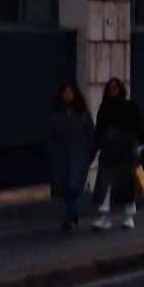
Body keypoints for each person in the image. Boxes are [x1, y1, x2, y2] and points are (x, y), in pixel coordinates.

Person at [92, 77, 144, 229]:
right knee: (106, 186)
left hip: (125, 151)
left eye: (115, 87)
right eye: (110, 87)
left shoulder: (129, 106)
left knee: (127, 186)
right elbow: (99, 130)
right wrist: (96, 148)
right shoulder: (105, 107)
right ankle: (105, 217)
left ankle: (128, 217)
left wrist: (139, 149)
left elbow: (138, 129)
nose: (112, 90)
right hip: (109, 151)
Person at [46, 84, 95, 231]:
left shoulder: (83, 114)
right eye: (65, 93)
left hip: (79, 156)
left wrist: (89, 153)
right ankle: (72, 217)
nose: (68, 96)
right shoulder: (56, 114)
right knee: (66, 187)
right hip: (61, 157)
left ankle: (71, 217)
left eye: (70, 93)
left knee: (73, 186)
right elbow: (50, 135)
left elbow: (90, 133)